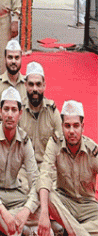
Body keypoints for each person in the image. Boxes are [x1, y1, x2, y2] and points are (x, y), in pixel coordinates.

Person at [0, 87, 39, 236]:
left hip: (15, 194)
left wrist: (25, 211)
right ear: (0, 111)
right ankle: (16, 230)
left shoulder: (24, 141)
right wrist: (3, 211)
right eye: (6, 109)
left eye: (14, 110)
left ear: (20, 113)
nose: (10, 115)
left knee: (42, 204)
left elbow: (35, 179)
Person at [37, 100, 98, 236]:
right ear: (62, 126)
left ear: (83, 127)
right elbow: (44, 175)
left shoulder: (92, 150)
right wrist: (44, 214)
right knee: (46, 192)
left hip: (87, 206)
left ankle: (66, 231)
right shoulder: (54, 144)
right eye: (67, 126)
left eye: (76, 126)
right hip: (63, 204)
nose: (71, 131)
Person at [19, 61, 62, 165]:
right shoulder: (18, 111)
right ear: (25, 85)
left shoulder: (52, 112)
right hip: (23, 168)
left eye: (38, 84)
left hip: (46, 168)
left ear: (44, 86)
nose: (35, 89)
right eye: (31, 84)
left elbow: (62, 144)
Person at [0, 40, 26, 118]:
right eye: (10, 57)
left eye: (16, 58)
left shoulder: (27, 84)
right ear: (5, 59)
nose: (13, 61)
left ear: (21, 59)